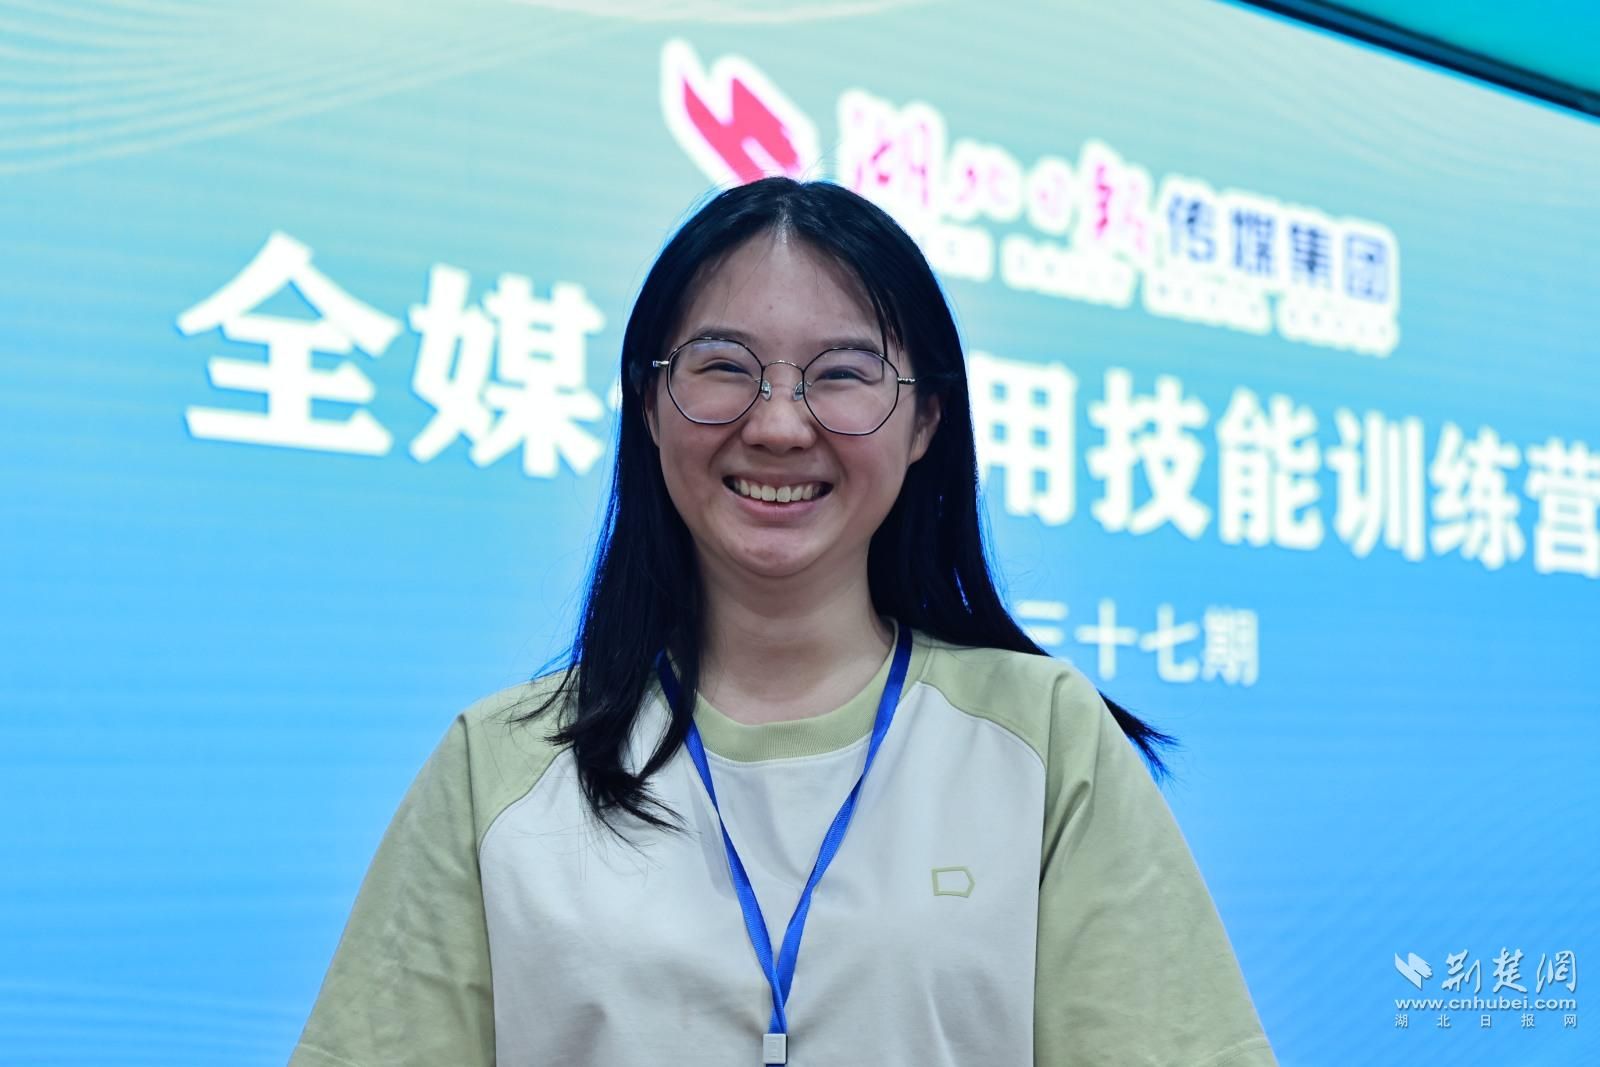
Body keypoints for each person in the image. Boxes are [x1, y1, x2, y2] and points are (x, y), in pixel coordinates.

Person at [290, 178, 1275, 1066]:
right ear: (649, 401)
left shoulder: (1043, 737)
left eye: (841, 373)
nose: (777, 423)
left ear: (926, 420)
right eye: (724, 366)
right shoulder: (499, 767)